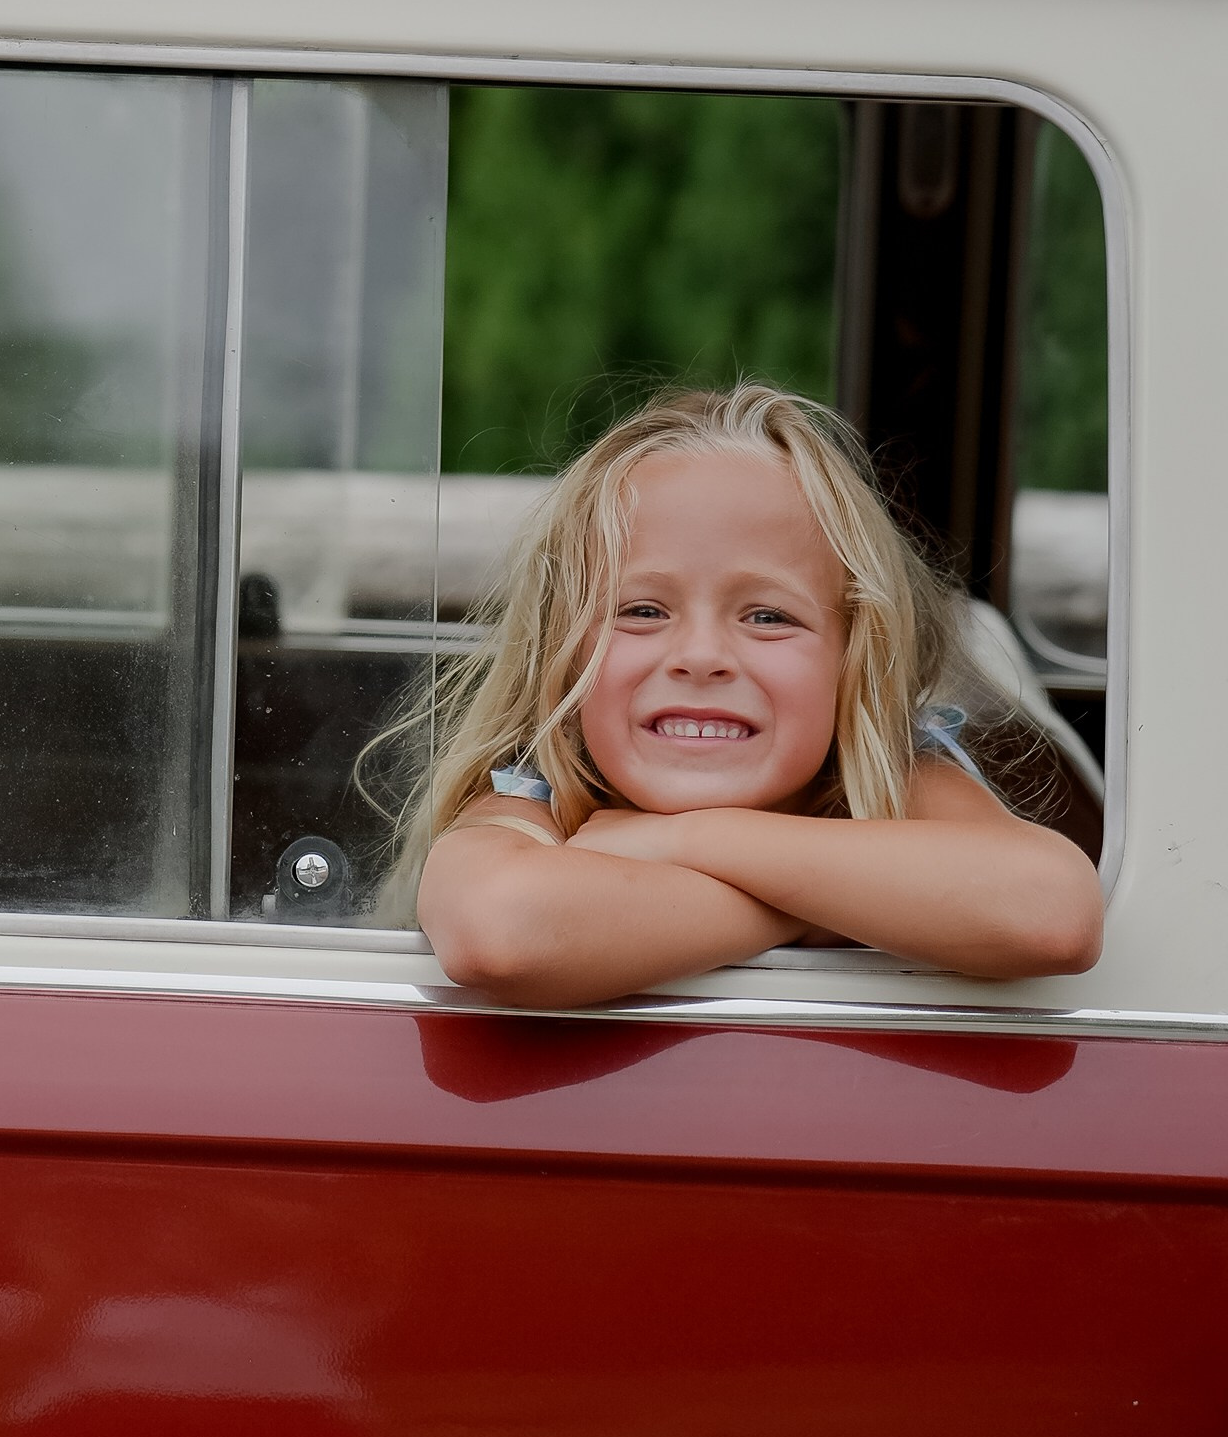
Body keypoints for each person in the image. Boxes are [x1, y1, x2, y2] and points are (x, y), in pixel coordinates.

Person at [410, 383, 1103, 1010]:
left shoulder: (893, 782)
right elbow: (497, 931)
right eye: (643, 611)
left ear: (853, 662)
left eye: (769, 617)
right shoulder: (543, 796)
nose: (702, 658)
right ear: (563, 655)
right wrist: (818, 907)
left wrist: (684, 839)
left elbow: (1053, 914)